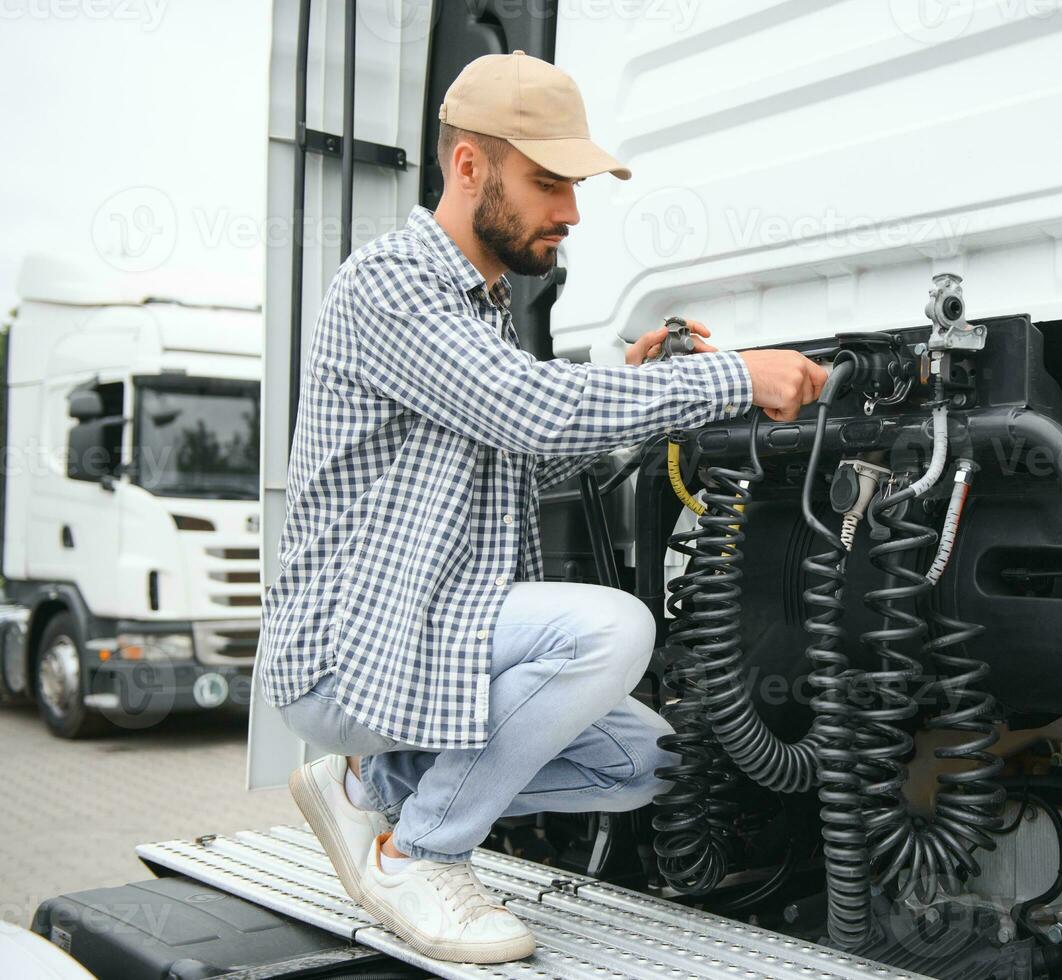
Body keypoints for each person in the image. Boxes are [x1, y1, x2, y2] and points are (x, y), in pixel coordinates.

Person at [256, 50, 828, 964]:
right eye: (547, 182)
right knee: (609, 632)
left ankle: (373, 787)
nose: (567, 211)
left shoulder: (476, 308)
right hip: (353, 648)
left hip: (425, 636)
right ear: (469, 165)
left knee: (646, 762)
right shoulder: (392, 281)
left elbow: (515, 408)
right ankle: (420, 854)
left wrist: (625, 382)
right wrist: (732, 378)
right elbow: (532, 416)